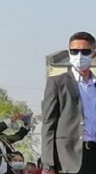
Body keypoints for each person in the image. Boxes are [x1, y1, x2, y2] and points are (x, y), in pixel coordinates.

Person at [41, 31, 96, 174]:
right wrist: (48, 164)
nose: (79, 56)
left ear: (93, 53)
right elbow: (48, 124)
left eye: (85, 52)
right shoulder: (57, 83)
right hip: (69, 158)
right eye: (74, 51)